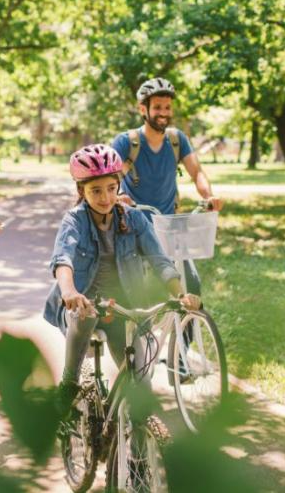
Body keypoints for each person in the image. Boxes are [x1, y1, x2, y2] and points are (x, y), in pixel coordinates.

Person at [44, 144, 200, 406]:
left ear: (118, 186)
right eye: (95, 190)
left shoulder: (134, 219)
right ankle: (69, 382)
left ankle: (137, 440)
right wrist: (69, 292)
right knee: (85, 314)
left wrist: (181, 294)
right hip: (85, 303)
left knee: (141, 386)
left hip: (123, 308)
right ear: (81, 191)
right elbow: (64, 259)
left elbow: (159, 260)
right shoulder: (74, 220)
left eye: (111, 188)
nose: (105, 197)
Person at [111, 77, 222, 294]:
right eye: (158, 107)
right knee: (138, 292)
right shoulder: (127, 142)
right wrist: (120, 194)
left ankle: (188, 327)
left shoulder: (177, 140)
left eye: (168, 107)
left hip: (169, 226)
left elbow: (196, 171)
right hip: (135, 226)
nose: (164, 112)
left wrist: (209, 196)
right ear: (143, 109)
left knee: (191, 286)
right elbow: (112, 177)